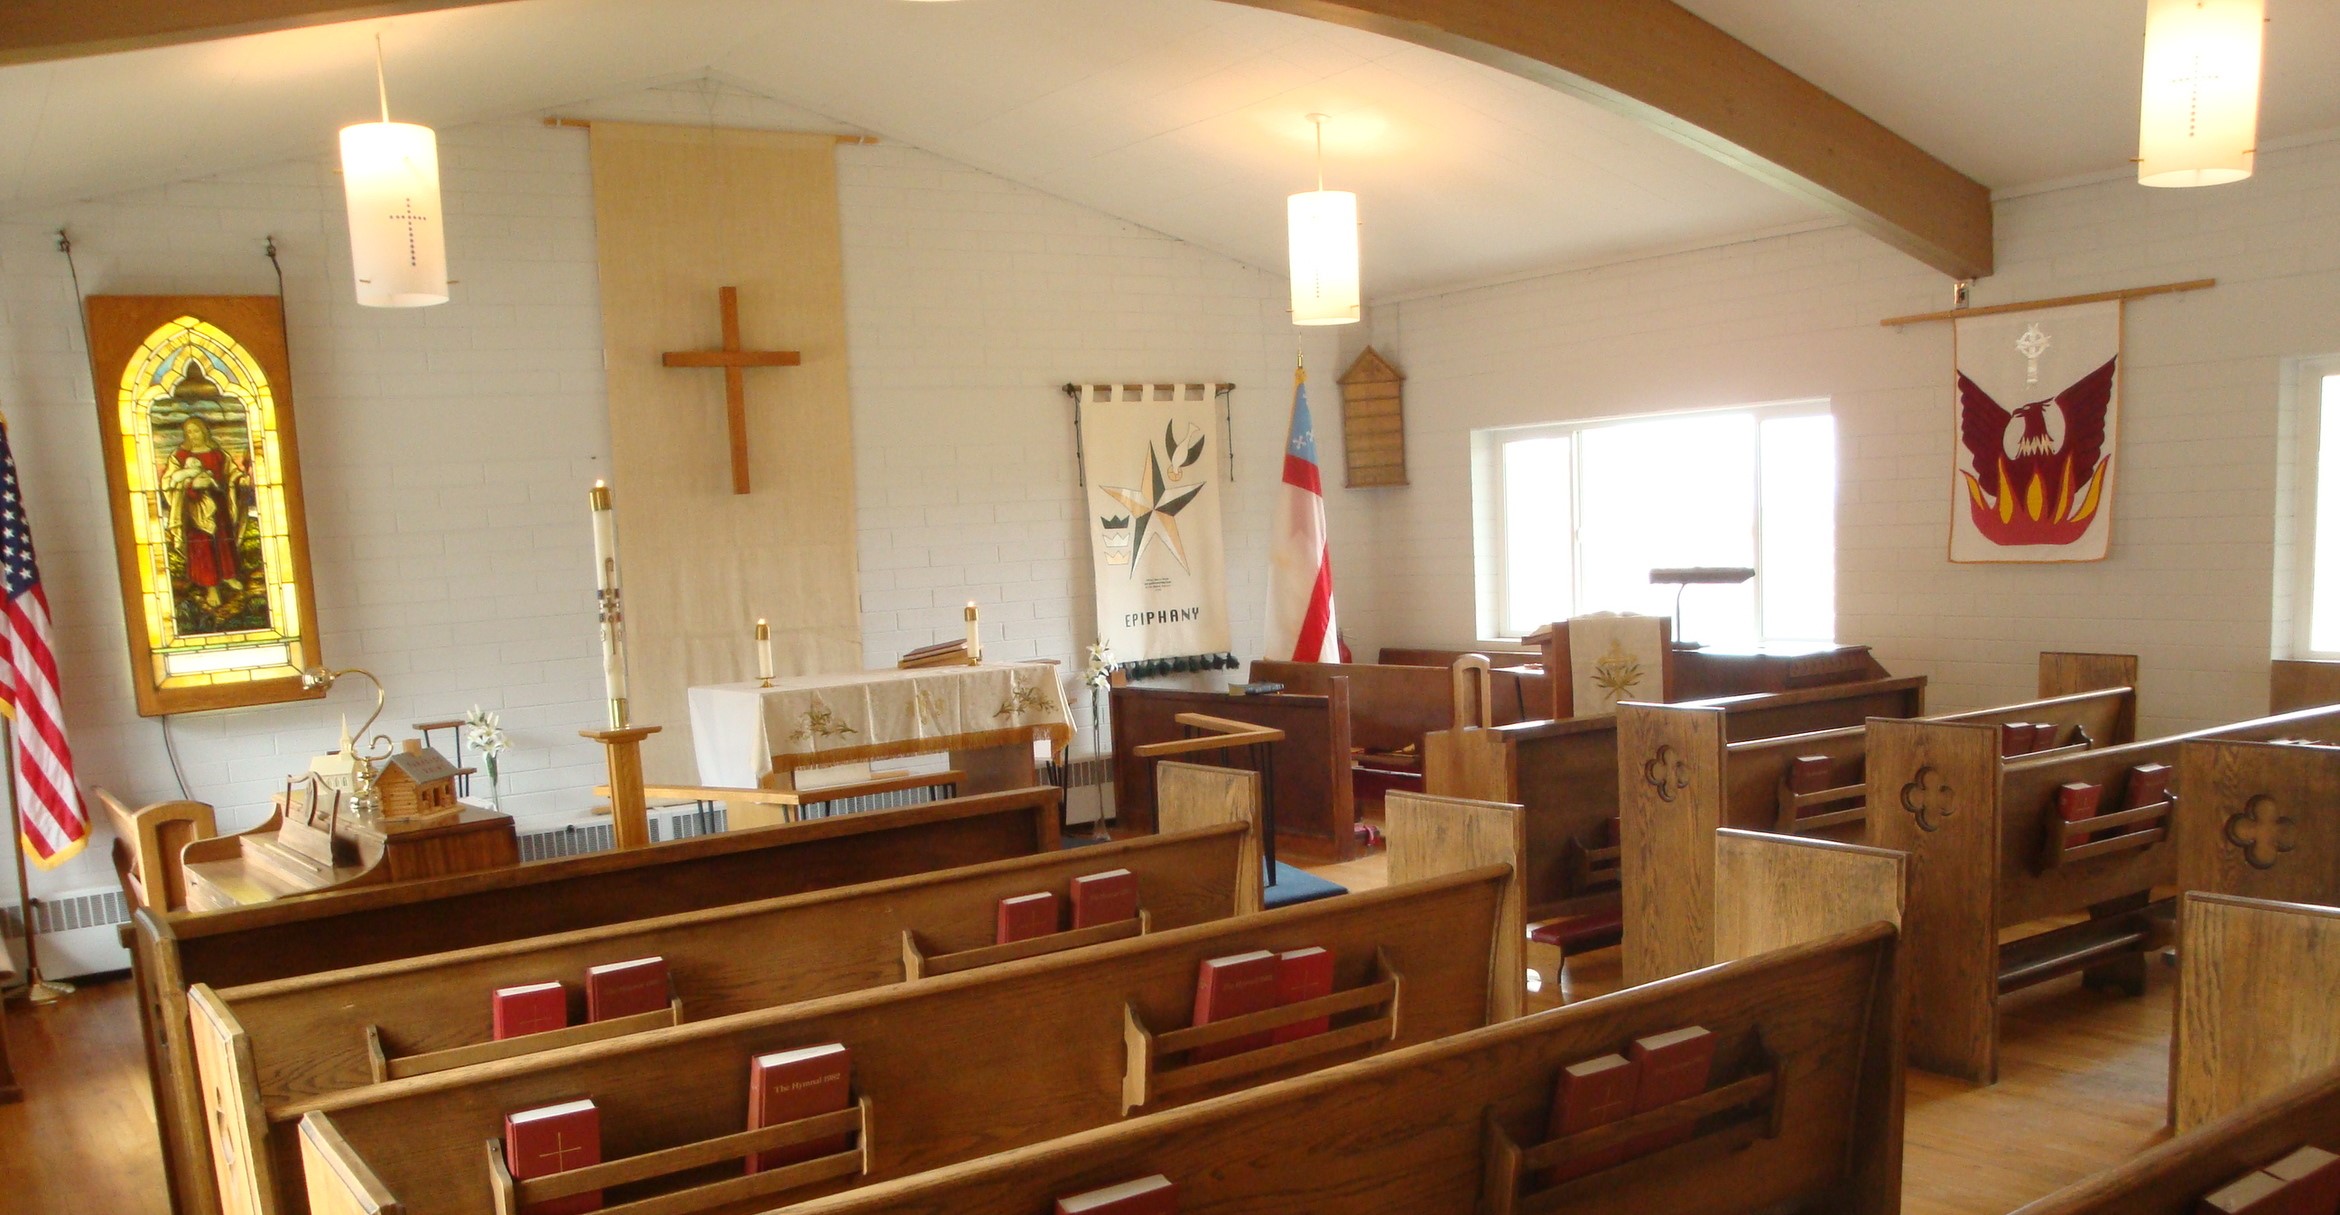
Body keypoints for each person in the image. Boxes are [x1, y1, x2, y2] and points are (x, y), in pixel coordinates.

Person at [159, 416, 250, 609]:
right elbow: (168, 481)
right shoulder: (180, 456)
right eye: (189, 432)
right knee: (203, 545)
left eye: (196, 431)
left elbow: (231, 472)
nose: (193, 435)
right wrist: (191, 484)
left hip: (219, 505)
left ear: (204, 431)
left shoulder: (217, 454)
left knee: (224, 542)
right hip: (194, 508)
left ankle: (228, 575)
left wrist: (239, 479)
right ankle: (211, 587)